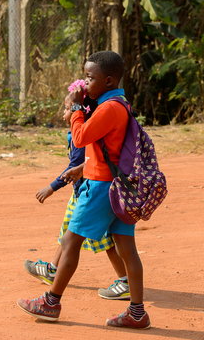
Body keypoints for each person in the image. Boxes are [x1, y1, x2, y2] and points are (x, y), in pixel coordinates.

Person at [18, 51, 150, 329]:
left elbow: (80, 137)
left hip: (101, 187)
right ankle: (137, 313)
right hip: (119, 187)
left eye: (91, 78)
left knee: (69, 242)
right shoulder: (117, 103)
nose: (85, 82)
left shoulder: (110, 108)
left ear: (109, 80)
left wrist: (77, 108)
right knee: (127, 248)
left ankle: (50, 303)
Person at [24, 85, 130, 300]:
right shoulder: (86, 127)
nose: (65, 114)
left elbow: (80, 160)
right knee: (70, 235)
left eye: (67, 109)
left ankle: (53, 297)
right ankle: (54, 269)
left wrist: (51, 187)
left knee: (93, 240)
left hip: (91, 193)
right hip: (87, 191)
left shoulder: (84, 133)